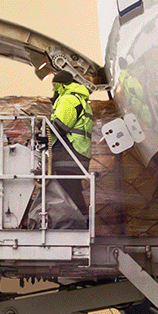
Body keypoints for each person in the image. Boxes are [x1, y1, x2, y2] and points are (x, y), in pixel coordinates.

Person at [48, 70, 94, 218]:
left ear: (62, 84)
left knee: (68, 191)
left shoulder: (68, 100)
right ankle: (81, 220)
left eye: (54, 85)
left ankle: (79, 221)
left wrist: (43, 128)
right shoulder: (78, 98)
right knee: (72, 189)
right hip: (77, 153)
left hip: (69, 153)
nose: (53, 89)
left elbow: (60, 126)